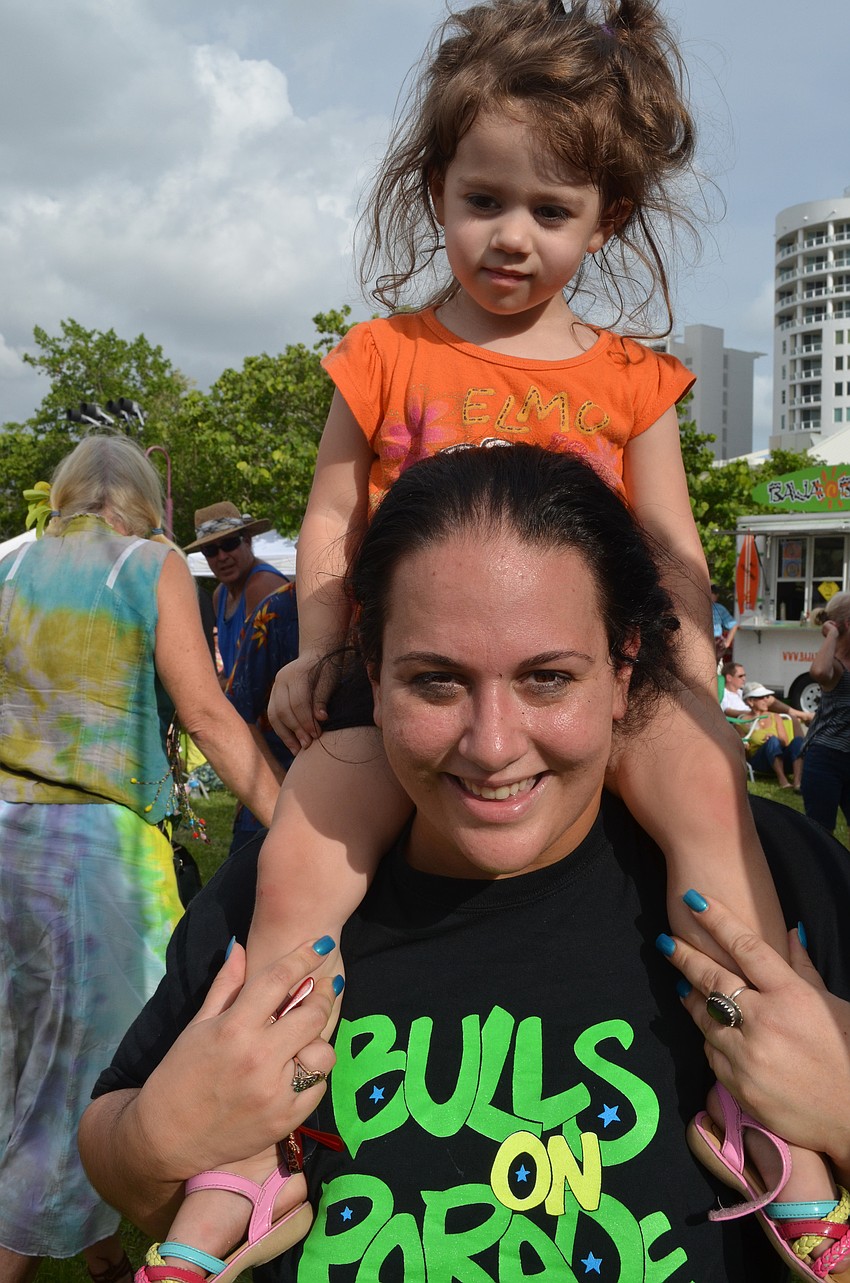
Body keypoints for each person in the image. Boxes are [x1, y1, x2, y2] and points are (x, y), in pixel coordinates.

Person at [154, 0, 834, 1267]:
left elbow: (672, 549)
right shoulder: (383, 356)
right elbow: (330, 524)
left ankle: (774, 1094)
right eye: (482, 201)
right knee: (303, 852)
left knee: (712, 817)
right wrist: (315, 648)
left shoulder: (632, 380)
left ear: (605, 219)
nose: (511, 236)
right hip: (410, 688)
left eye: (549, 211)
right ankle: (252, 1126)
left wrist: (696, 682)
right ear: (435, 192)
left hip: (597, 686)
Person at [79, 448, 850, 1282]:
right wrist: (157, 1137)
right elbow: (114, 1154)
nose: (492, 745)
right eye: (437, 682)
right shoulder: (285, 879)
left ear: (623, 668)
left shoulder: (781, 871)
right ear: (374, 676)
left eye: (548, 678)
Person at [0, 436, 282, 1283]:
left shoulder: (7, 561)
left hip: (7, 837)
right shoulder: (149, 563)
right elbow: (206, 712)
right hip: (98, 859)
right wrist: (295, 821)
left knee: (23, 1057)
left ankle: (97, 1255)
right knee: (95, 1074)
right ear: (144, 501)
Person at [224, 580, 299, 858]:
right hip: (275, 800)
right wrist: (280, 790)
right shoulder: (278, 608)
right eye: (209, 556)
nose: (220, 559)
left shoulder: (384, 598)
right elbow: (236, 712)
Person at [184, 502, 286, 679]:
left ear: (247, 541)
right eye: (210, 550)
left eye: (229, 544)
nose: (222, 556)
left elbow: (257, 677)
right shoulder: (220, 595)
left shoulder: (261, 586)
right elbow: (233, 670)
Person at [801, 594, 850, 835]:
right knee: (820, 834)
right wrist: (831, 634)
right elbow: (819, 672)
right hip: (826, 758)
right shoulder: (837, 667)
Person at [737, 682, 806, 789]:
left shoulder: (775, 717)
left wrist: (774, 738)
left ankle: (797, 781)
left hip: (780, 756)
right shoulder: (741, 722)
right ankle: (782, 780)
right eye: (761, 697)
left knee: (798, 741)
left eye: (767, 697)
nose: (766, 700)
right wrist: (745, 745)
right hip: (760, 762)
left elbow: (785, 742)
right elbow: (745, 753)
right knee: (772, 741)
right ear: (750, 701)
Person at [720, 662, 813, 725]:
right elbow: (727, 712)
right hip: (747, 722)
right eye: (740, 676)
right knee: (793, 721)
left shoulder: (741, 692)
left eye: (744, 675)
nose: (744, 679)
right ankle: (803, 716)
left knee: (767, 698)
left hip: (757, 717)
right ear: (729, 678)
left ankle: (800, 715)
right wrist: (753, 714)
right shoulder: (724, 694)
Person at [711, 583, 738, 659]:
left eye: (714, 593)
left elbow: (733, 625)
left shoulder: (719, 608)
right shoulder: (697, 608)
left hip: (716, 642)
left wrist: (727, 642)